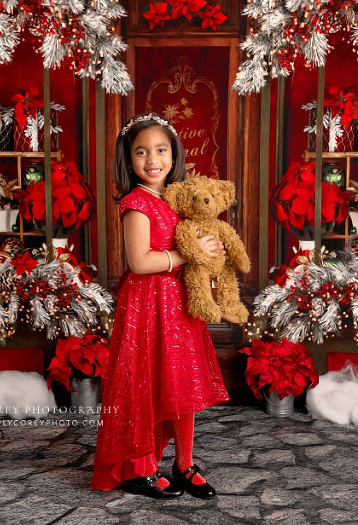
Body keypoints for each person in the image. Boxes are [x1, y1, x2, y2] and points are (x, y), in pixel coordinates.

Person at [90, 112, 230, 499]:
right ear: (128, 161)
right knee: (145, 382)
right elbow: (140, 262)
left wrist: (209, 256)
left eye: (161, 150)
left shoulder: (175, 198)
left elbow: (195, 242)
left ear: (174, 154)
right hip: (147, 306)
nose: (152, 159)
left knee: (183, 382)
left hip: (180, 305)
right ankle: (140, 466)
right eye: (141, 152)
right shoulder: (137, 203)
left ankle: (184, 464)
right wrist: (189, 254)